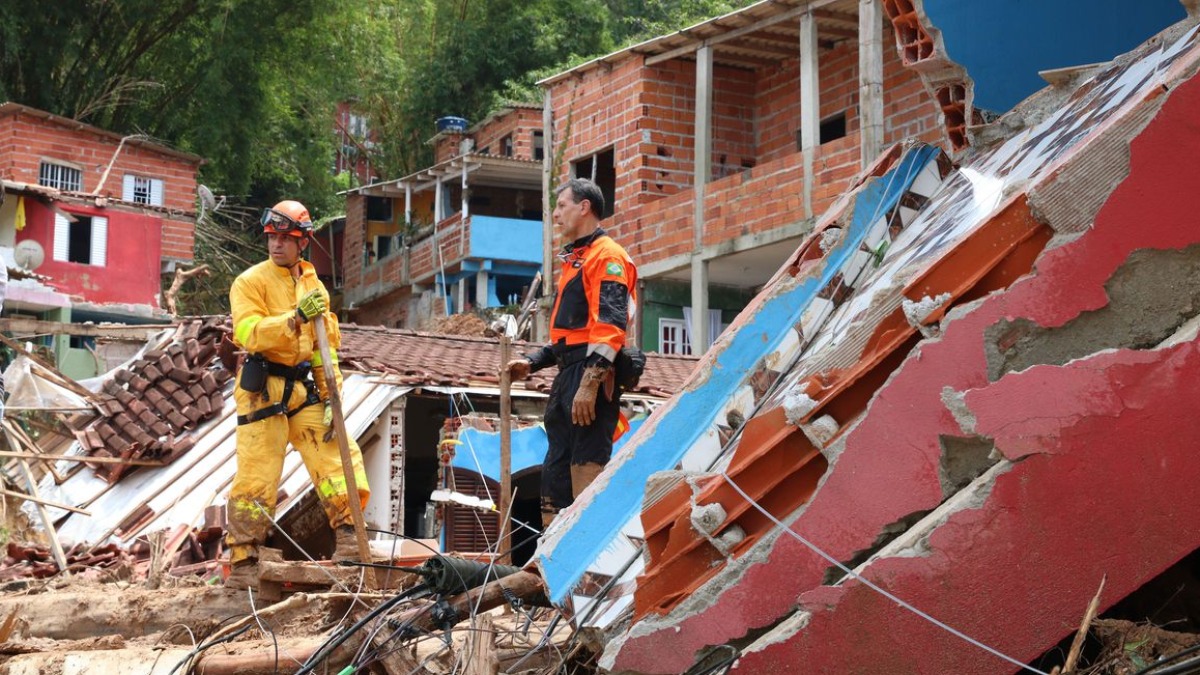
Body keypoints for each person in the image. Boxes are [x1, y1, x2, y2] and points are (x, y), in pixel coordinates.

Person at [224, 199, 370, 590]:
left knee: (338, 456)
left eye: (286, 239)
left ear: (302, 242)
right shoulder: (250, 282)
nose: (276, 245)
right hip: (264, 388)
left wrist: (332, 396)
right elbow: (249, 333)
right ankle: (243, 560)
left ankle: (350, 542)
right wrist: (294, 318)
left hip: (304, 386)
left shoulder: (312, 283)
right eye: (273, 237)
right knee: (257, 472)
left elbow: (327, 346)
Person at [505, 178, 637, 528]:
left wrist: (591, 382)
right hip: (568, 373)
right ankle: (552, 552)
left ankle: (586, 546)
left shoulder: (608, 256)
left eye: (562, 206)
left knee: (585, 461)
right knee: (557, 465)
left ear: (585, 207)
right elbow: (571, 335)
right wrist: (533, 363)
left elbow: (609, 325)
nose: (556, 214)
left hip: (591, 372)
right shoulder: (577, 259)